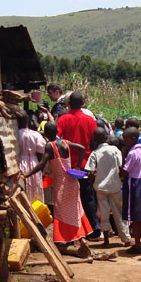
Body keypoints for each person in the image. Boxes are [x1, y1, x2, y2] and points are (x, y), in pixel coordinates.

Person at [23, 122, 92, 251]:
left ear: (47, 134)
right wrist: (77, 166)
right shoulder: (65, 142)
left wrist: (27, 175)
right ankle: (81, 237)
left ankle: (65, 239)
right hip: (72, 180)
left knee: (61, 212)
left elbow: (42, 164)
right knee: (76, 208)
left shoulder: (50, 146)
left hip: (61, 183)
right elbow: (82, 147)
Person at [57, 91, 101, 239]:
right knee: (88, 197)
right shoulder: (89, 120)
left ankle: (75, 230)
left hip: (68, 165)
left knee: (70, 198)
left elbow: (56, 138)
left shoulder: (63, 119)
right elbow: (95, 140)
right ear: (83, 103)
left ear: (68, 104)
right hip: (85, 164)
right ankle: (94, 228)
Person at [86, 127, 132, 247]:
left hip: (100, 187)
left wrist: (92, 183)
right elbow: (121, 165)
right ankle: (126, 239)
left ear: (95, 141)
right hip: (115, 185)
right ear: (107, 137)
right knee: (119, 212)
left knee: (103, 213)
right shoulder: (114, 150)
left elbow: (90, 171)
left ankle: (106, 240)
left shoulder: (95, 153)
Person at [120, 127, 141, 255]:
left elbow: (125, 172)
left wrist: (122, 158)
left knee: (135, 216)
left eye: (125, 139)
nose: (124, 141)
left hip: (134, 184)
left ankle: (137, 244)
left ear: (132, 139)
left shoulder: (131, 153)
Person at [16, 109, 46, 204]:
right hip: (34, 164)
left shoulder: (16, 134)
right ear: (28, 120)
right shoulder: (36, 135)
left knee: (23, 189)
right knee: (35, 187)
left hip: (20, 162)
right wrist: (41, 168)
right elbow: (41, 152)